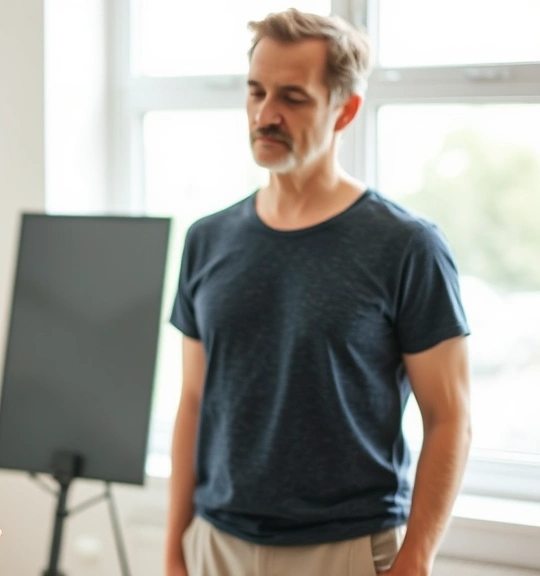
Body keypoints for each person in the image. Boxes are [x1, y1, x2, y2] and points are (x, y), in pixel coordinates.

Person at [164, 9, 471, 576]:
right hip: (215, 544)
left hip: (349, 548)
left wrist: (416, 560)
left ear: (345, 109)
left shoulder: (407, 245)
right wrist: (173, 549)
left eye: (293, 97)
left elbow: (449, 416)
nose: (265, 113)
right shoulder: (206, 239)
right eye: (255, 91)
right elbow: (193, 402)